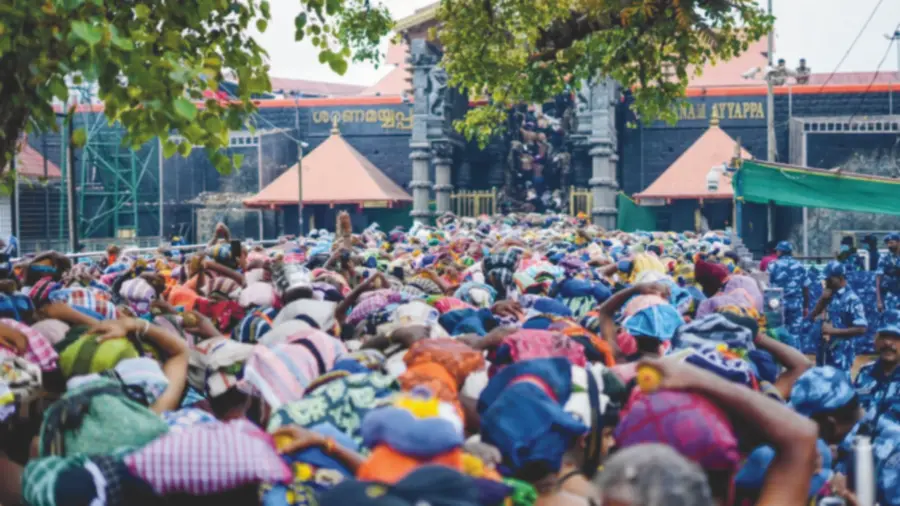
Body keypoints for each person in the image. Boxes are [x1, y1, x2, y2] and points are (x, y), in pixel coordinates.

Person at [809, 261, 868, 372]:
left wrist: (833, 331)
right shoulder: (831, 295)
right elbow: (812, 316)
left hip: (842, 353)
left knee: (840, 385)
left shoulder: (852, 299)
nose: (826, 282)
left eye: (829, 279)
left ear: (840, 279)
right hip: (825, 349)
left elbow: (862, 328)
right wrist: (822, 299)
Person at [854, 309, 900, 427]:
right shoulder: (865, 372)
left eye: (896, 337)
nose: (888, 343)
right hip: (863, 442)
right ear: (876, 340)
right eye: (884, 336)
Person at [766, 241, 810, 337]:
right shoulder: (800, 266)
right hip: (796, 304)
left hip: (777, 304)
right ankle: (795, 351)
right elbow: (806, 288)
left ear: (780, 252)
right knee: (795, 334)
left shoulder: (773, 265)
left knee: (777, 333)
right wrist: (806, 306)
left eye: (777, 251)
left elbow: (767, 287)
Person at [876, 232, 900, 312]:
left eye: (891, 243)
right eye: (888, 243)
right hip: (890, 297)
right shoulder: (884, 258)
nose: (889, 245)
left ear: (898, 242)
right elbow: (878, 279)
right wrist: (879, 300)